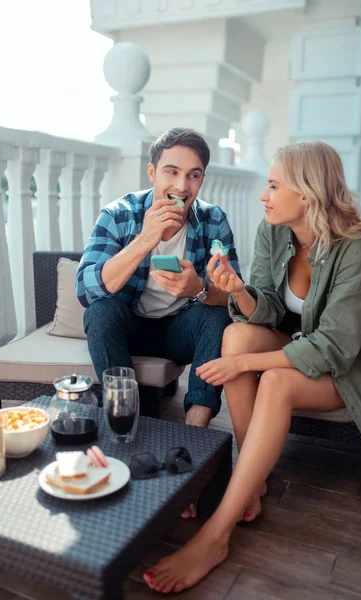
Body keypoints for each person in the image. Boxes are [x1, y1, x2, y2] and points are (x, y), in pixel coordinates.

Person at [143, 140, 361, 593]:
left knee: (270, 379)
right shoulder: (274, 231)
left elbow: (333, 348)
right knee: (235, 333)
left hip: (348, 368)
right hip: (296, 344)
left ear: (307, 195)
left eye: (273, 185)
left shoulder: (357, 251)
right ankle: (252, 484)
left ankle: (217, 535)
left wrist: (244, 364)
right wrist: (238, 291)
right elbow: (269, 310)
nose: (263, 194)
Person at [75, 128, 241, 515]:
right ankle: (126, 429)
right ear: (152, 172)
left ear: (202, 179)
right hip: (128, 328)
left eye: (193, 175)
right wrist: (144, 240)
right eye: (171, 172)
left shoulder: (213, 221)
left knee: (214, 315)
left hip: (177, 330)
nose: (181, 185)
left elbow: (233, 296)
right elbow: (87, 289)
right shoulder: (120, 214)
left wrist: (199, 288)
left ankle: (190, 444)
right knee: (100, 310)